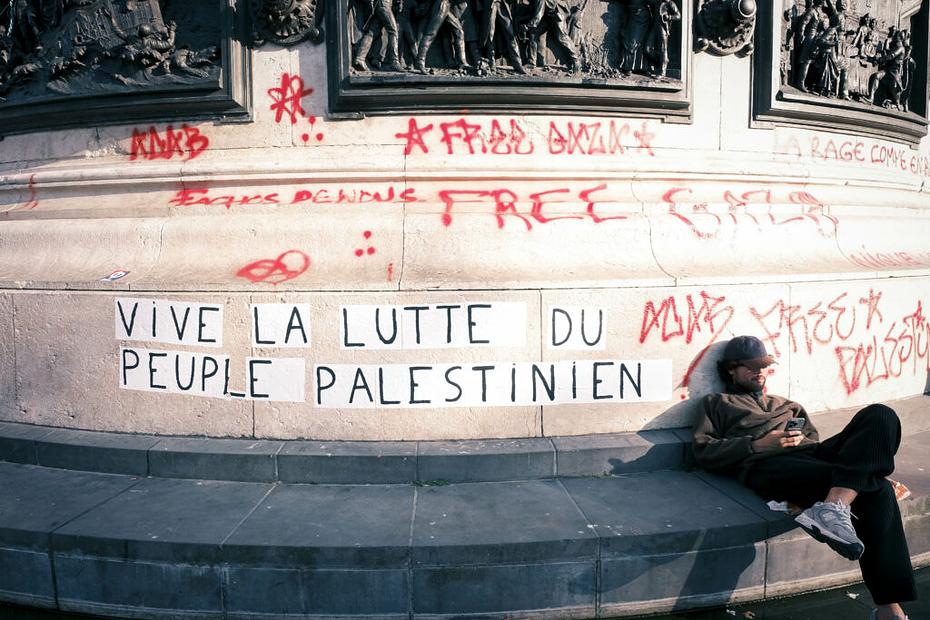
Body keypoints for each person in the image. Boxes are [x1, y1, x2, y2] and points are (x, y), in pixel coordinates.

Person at [692, 335, 916, 620]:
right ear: (731, 369)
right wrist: (757, 444)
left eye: (763, 366)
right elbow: (702, 450)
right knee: (879, 490)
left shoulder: (787, 404)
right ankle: (890, 611)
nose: (759, 372)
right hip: (767, 464)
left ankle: (833, 506)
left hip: (811, 456)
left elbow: (813, 439)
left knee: (881, 415)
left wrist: (800, 440)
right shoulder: (716, 403)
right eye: (751, 367)